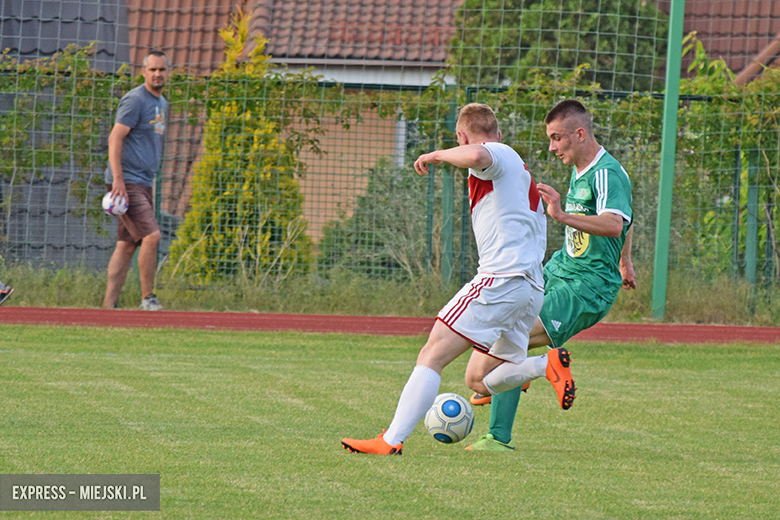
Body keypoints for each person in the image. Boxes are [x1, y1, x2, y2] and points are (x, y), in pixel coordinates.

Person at [341, 103, 575, 456]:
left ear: (461, 137)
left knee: (432, 352)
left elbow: (480, 153)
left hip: (501, 280)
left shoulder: (496, 154)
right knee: (481, 380)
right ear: (498, 130)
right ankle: (546, 365)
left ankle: (389, 440)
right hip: (529, 289)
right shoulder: (516, 171)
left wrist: (437, 154)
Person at [466, 99, 635, 451]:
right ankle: (506, 386)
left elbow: (615, 223)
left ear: (580, 133)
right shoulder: (583, 169)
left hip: (586, 286)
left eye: (557, 138)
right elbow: (625, 217)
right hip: (559, 269)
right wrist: (626, 262)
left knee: (510, 340)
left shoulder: (607, 172)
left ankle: (504, 411)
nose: (552, 147)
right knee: (507, 334)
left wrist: (561, 216)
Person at [102, 50, 170, 311]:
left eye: (162, 69)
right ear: (143, 71)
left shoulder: (161, 103)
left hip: (142, 182)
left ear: (168, 72)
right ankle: (148, 298)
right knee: (152, 236)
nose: (157, 74)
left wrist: (148, 182)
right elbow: (115, 138)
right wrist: (118, 181)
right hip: (126, 181)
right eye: (152, 69)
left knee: (127, 244)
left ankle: (108, 307)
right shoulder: (134, 100)